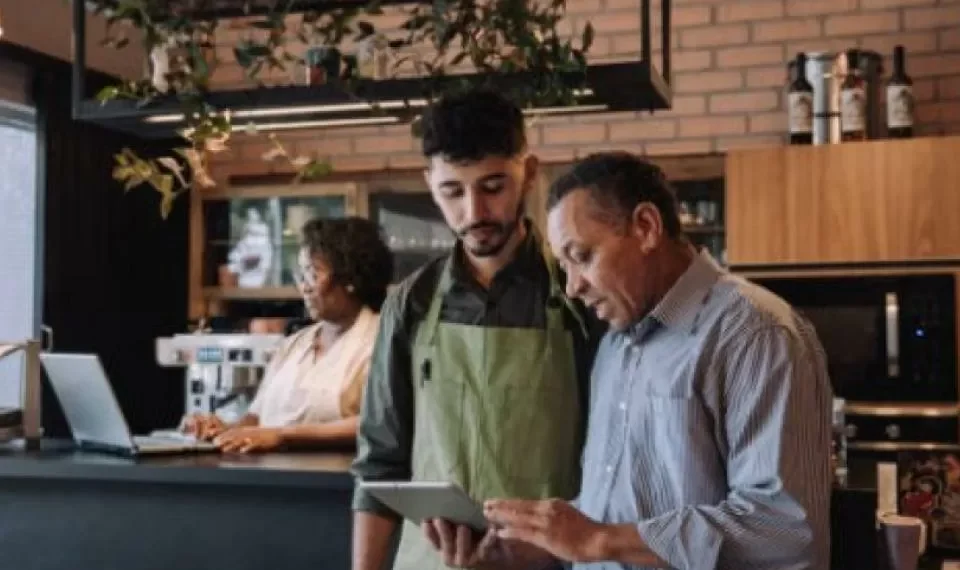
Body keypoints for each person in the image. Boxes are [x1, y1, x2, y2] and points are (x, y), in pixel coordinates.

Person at [479, 152, 834, 569]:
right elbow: (617, 519)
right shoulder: (615, 342)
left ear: (645, 228)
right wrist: (531, 546)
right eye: (564, 266)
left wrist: (599, 539)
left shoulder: (754, 333)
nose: (573, 287)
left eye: (583, 256)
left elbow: (783, 530)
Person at [350, 89, 603, 570]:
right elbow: (380, 462)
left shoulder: (579, 297)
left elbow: (615, 463)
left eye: (493, 187)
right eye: (452, 192)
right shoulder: (411, 303)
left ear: (528, 173)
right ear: (430, 185)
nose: (474, 213)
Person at [183, 216, 394, 453]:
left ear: (351, 278)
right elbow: (256, 419)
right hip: (272, 480)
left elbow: (379, 423)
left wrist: (282, 436)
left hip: (334, 482)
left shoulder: (383, 340)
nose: (303, 286)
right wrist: (221, 430)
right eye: (301, 275)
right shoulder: (294, 344)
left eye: (313, 275)